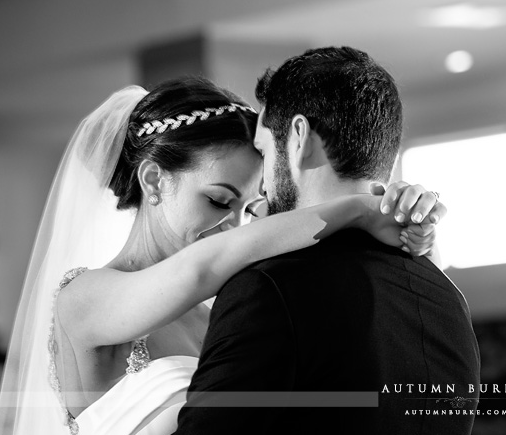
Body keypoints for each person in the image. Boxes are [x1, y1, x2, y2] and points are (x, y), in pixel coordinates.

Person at [0, 77, 444, 435]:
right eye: (217, 199)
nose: (235, 224)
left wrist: (406, 218)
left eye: (248, 208)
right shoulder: (83, 298)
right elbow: (202, 267)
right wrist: (358, 208)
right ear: (154, 180)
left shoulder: (228, 312)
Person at [173, 48, 481, 435]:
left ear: (298, 137)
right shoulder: (447, 299)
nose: (263, 186)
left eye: (264, 150)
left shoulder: (269, 290)